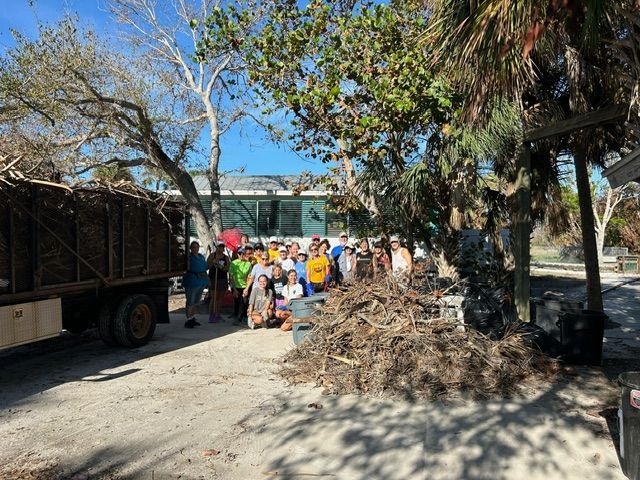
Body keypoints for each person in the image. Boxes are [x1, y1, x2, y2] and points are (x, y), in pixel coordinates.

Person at [182, 241, 208, 328]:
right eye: (194, 247)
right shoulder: (188, 257)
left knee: (196, 302)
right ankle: (188, 319)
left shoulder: (201, 257)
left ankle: (192, 318)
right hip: (191, 281)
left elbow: (205, 266)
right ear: (191, 248)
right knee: (190, 301)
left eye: (197, 247)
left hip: (201, 282)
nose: (196, 249)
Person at [207, 240, 230, 323]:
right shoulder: (212, 255)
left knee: (220, 299)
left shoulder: (225, 257)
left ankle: (217, 314)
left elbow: (227, 268)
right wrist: (213, 262)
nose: (221, 248)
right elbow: (207, 266)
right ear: (216, 247)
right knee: (214, 298)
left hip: (222, 279)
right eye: (219, 246)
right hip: (213, 279)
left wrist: (220, 266)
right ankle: (211, 315)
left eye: (222, 247)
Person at [228, 247, 252, 324]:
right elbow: (231, 277)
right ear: (237, 254)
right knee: (237, 302)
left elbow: (249, 277)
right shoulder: (233, 263)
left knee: (245, 302)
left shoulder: (248, 264)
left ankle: (243, 317)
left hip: (245, 286)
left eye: (243, 253)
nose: (241, 255)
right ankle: (236, 317)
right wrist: (234, 289)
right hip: (235, 286)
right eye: (240, 253)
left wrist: (247, 288)